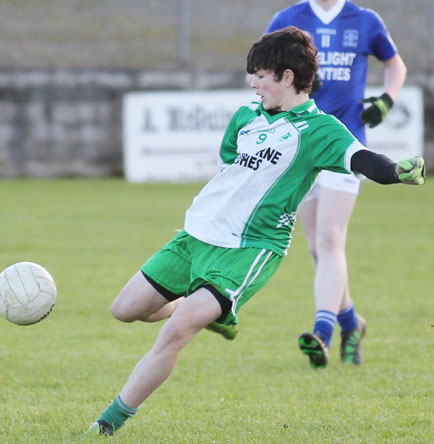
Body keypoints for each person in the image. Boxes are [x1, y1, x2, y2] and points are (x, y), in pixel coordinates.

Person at [87, 27, 424, 436]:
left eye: (261, 74)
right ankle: (200, 307)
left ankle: (107, 425)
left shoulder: (320, 130)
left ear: (287, 77)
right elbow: (231, 166)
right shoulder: (247, 116)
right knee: (124, 310)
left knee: (175, 333)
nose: (252, 82)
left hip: (250, 249)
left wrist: (395, 172)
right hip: (196, 235)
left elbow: (362, 158)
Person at [265, 0, 407, 368]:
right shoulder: (288, 19)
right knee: (317, 247)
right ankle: (351, 322)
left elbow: (395, 65)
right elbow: (264, 71)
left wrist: (387, 100)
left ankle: (322, 333)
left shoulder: (364, 21)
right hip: (298, 145)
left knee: (330, 239)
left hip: (344, 145)